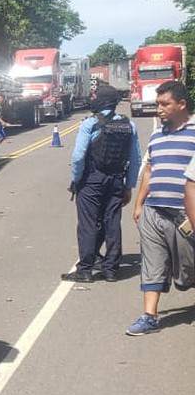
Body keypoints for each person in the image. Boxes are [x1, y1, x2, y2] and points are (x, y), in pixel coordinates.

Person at [126, 80, 195, 335]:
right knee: (152, 262)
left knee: (188, 271)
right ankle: (149, 316)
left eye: (165, 104)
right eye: (158, 104)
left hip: (186, 215)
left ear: (181, 104)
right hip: (154, 211)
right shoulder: (157, 135)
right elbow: (150, 170)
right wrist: (139, 203)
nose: (159, 109)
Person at [61, 83, 141, 282]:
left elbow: (79, 156)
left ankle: (85, 270)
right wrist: (129, 186)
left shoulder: (91, 123)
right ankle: (111, 269)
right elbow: (135, 158)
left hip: (91, 180)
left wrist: (76, 180)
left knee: (88, 224)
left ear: (102, 100)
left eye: (96, 96)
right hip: (116, 180)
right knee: (112, 222)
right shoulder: (128, 125)